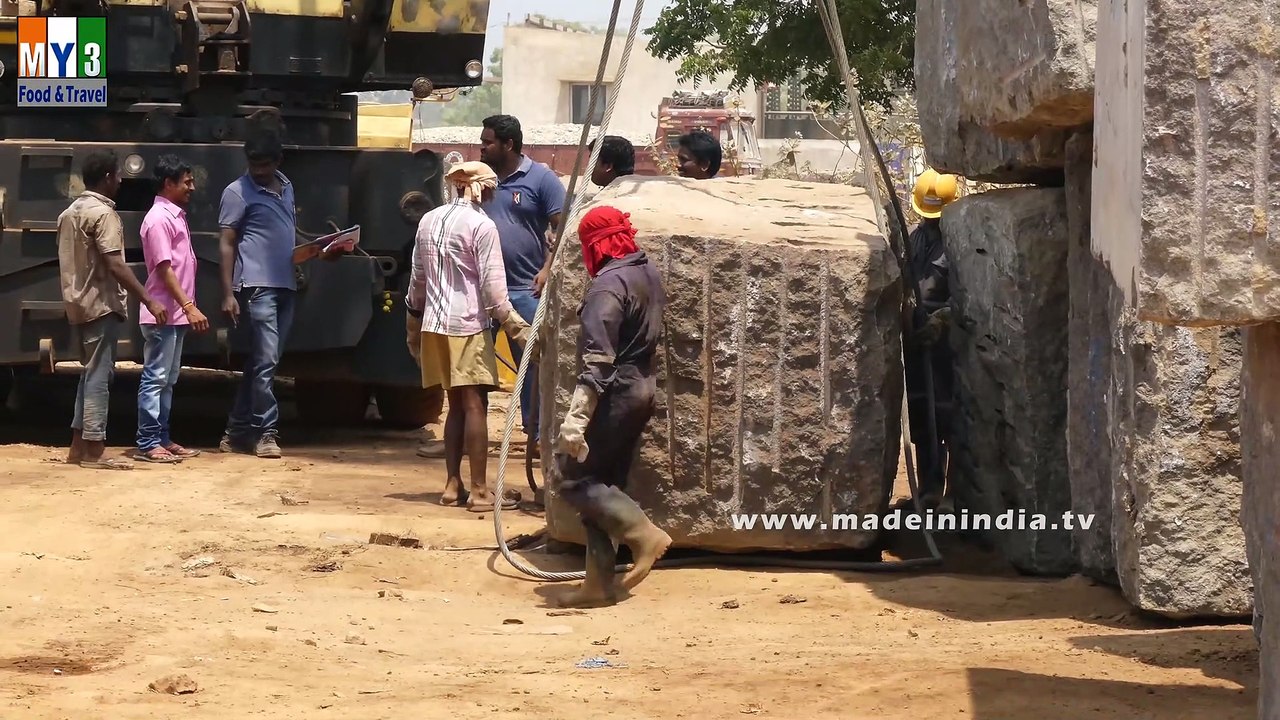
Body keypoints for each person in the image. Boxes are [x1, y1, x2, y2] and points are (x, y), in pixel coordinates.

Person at [552, 205, 672, 608]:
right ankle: (598, 584)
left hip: (615, 391)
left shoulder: (608, 285)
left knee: (572, 479)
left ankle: (644, 534)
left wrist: (578, 417)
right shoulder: (645, 272)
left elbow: (598, 358)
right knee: (602, 485)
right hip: (642, 387)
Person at [406, 161, 534, 512]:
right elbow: (494, 293)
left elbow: (417, 281)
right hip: (466, 325)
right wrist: (520, 331)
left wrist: (412, 327)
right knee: (475, 402)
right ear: (482, 188)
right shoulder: (482, 225)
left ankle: (452, 485)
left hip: (434, 324)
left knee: (455, 403)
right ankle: (479, 492)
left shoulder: (428, 220)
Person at [58, 150, 170, 470]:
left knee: (89, 372)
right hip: (100, 303)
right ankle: (95, 450)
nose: (120, 181)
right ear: (108, 177)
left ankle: (78, 448)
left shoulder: (70, 212)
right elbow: (116, 265)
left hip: (77, 303)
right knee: (98, 376)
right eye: (118, 175)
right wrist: (148, 299)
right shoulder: (104, 214)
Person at [478, 114, 565, 453]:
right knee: (477, 371)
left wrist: (548, 269)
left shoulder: (542, 179)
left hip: (525, 292)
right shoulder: (479, 180)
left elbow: (564, 228)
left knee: (533, 366)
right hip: (483, 294)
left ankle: (536, 438)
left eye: (487, 142)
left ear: (508, 144)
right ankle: (476, 436)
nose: (481, 147)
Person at [217, 131, 297, 459]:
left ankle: (235, 432)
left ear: (277, 161)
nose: (258, 171)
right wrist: (228, 292)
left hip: (286, 285)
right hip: (257, 287)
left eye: (264, 165)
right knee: (267, 362)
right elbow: (226, 243)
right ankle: (266, 433)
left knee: (262, 363)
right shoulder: (236, 193)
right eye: (253, 164)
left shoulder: (287, 187)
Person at [134, 154, 209, 463]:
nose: (191, 187)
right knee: (156, 377)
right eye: (186, 182)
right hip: (163, 312)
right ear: (169, 184)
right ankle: (148, 441)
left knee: (168, 378)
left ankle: (162, 437)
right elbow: (165, 269)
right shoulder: (158, 219)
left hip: (174, 314)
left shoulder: (175, 215)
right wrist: (188, 305)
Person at [900, 168, 959, 512]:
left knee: (949, 417)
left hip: (949, 346)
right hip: (917, 341)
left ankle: (953, 495)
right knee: (923, 417)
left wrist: (944, 318)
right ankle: (928, 490)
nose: (930, 222)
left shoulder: (958, 243)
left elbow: (971, 293)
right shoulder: (914, 239)